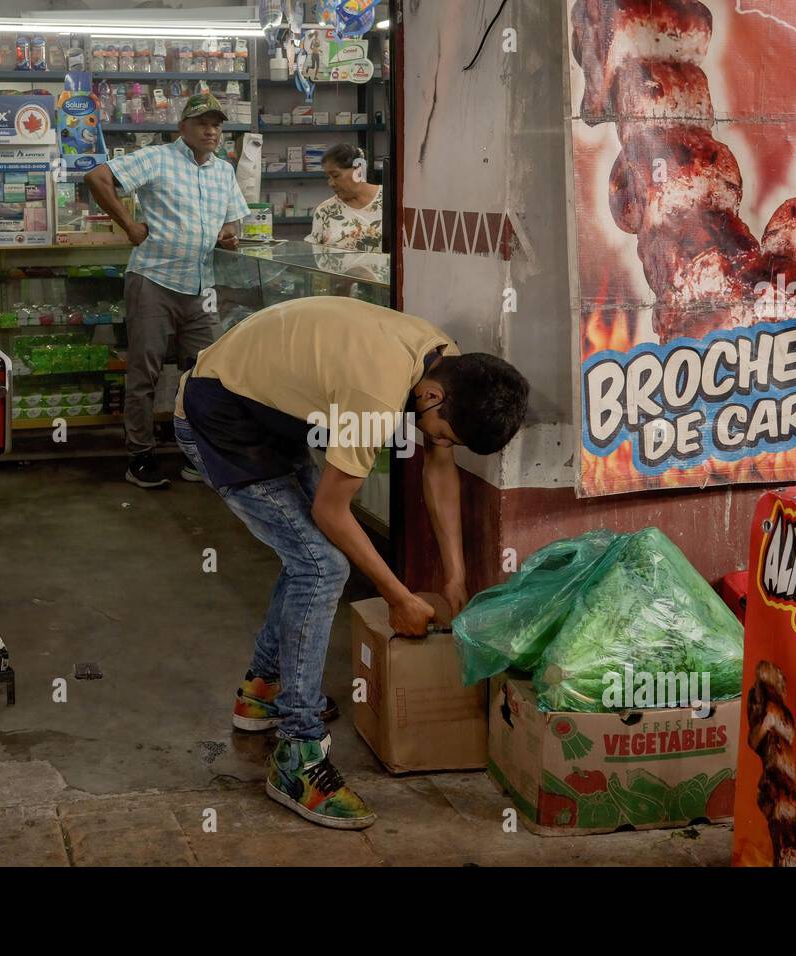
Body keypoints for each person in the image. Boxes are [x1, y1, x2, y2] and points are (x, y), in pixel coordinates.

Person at [174, 296, 529, 829]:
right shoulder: (377, 396)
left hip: (274, 412)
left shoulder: (447, 364)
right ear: (433, 398)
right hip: (220, 416)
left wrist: (455, 576)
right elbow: (331, 510)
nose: (439, 442)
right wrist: (400, 598)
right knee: (321, 566)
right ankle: (297, 755)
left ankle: (263, 691)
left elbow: (438, 469)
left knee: (307, 559)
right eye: (444, 432)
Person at [86, 92, 250, 490]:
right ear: (183, 128)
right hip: (154, 281)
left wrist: (227, 236)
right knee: (145, 373)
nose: (211, 131)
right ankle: (139, 456)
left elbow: (232, 222)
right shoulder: (157, 158)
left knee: (205, 373)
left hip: (200, 286)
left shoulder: (223, 171)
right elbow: (97, 177)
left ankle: (197, 454)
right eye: (202, 123)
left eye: (216, 125)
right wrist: (129, 225)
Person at [305, 143, 383, 252]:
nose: (331, 183)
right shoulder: (325, 211)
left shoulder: (391, 200)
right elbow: (313, 255)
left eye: (336, 175)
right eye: (328, 177)